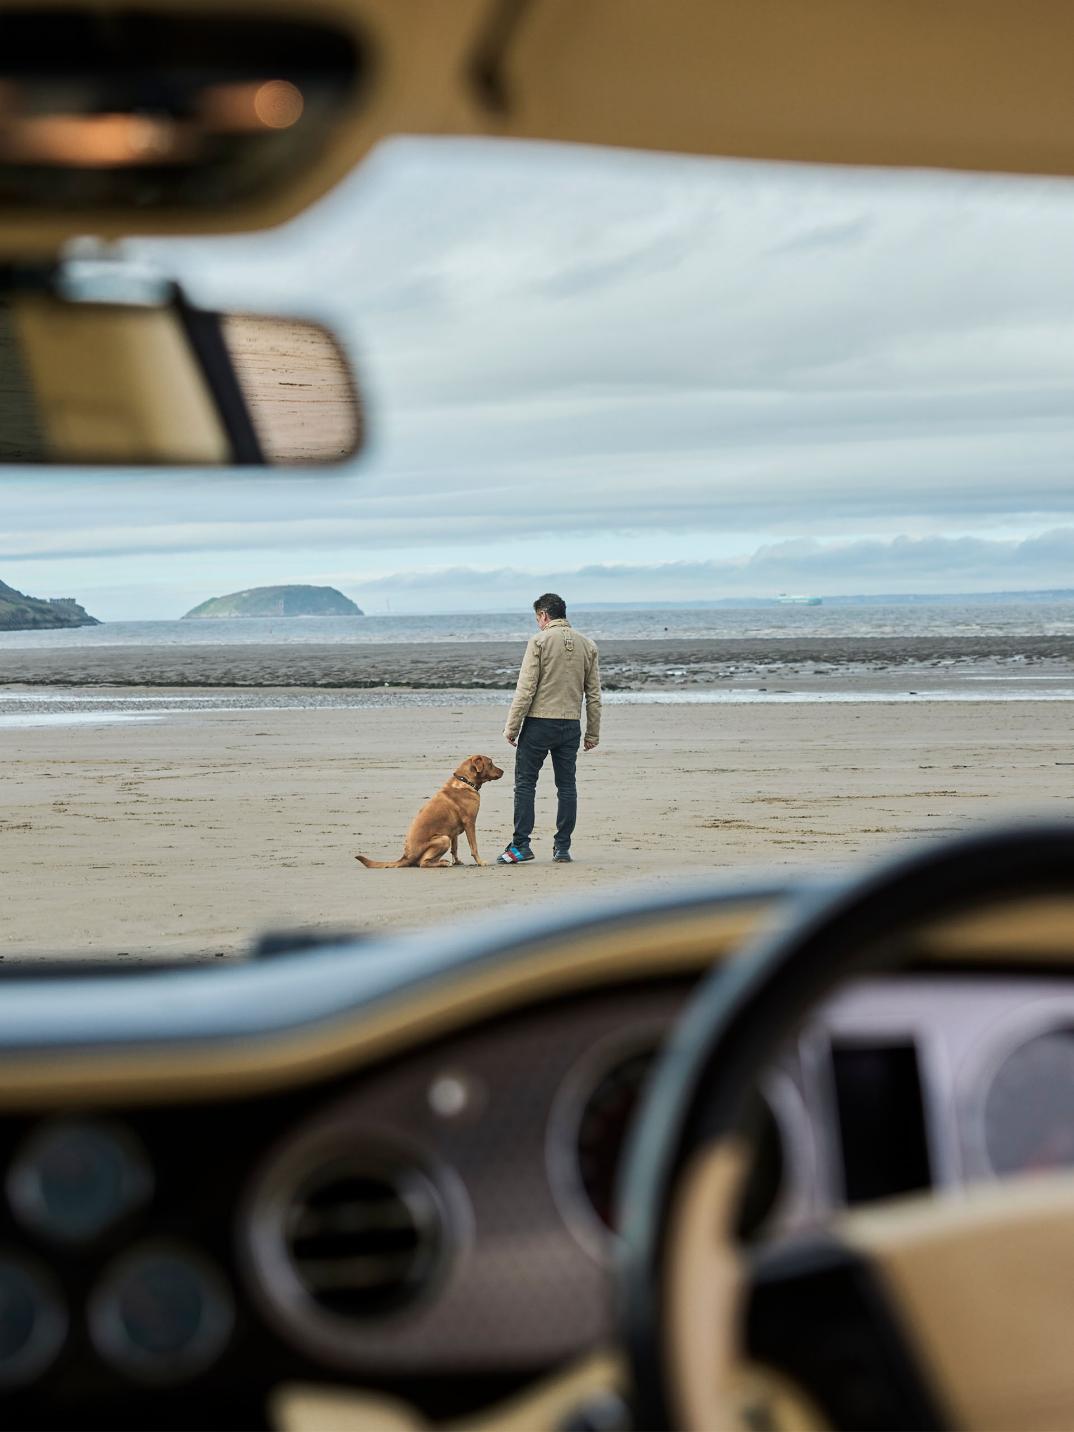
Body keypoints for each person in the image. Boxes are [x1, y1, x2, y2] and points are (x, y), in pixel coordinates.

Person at [498, 593, 601, 864]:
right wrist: (593, 733)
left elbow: (526, 688)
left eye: (537, 618)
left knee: (524, 784)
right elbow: (593, 694)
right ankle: (562, 847)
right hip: (570, 724)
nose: (538, 623)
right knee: (566, 786)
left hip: (539, 723)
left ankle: (520, 846)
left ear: (544, 615)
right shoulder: (587, 644)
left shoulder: (539, 641)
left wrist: (512, 726)